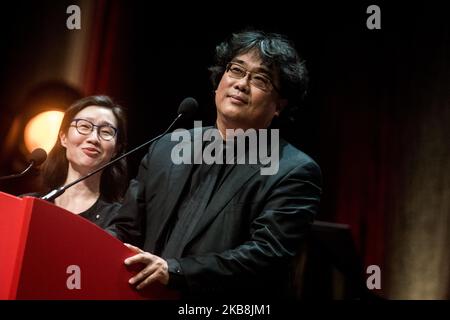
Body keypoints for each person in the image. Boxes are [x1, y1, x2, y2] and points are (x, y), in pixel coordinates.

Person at [107, 30, 322, 300]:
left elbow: (266, 254)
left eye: (261, 79)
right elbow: (125, 228)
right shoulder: (167, 147)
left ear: (279, 106)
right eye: (236, 70)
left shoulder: (293, 170)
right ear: (218, 81)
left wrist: (175, 272)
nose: (242, 84)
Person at [37, 95, 128, 229]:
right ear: (63, 137)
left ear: (116, 150)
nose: (93, 138)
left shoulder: (119, 220)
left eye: (106, 131)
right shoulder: (30, 204)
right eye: (84, 126)